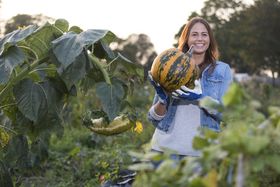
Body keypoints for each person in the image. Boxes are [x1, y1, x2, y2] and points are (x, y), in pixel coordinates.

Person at [147, 17, 232, 161]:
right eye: (194, 34)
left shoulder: (221, 70)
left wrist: (201, 99)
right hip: (164, 151)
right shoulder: (170, 66)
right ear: (186, 38)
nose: (200, 38)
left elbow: (227, 114)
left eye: (204, 34)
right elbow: (153, 119)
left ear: (209, 39)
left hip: (202, 154)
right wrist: (162, 100)